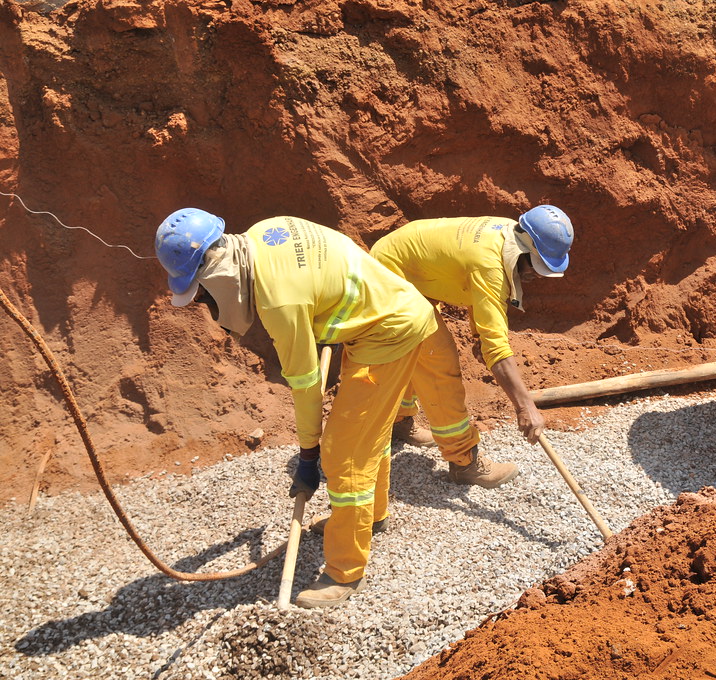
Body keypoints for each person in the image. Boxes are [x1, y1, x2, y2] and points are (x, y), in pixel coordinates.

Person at [155, 209, 437, 608]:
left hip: (390, 330)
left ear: (213, 273)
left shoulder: (278, 303)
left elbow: (306, 386)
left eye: (200, 293)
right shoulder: (263, 230)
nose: (204, 302)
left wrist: (309, 453)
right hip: (382, 315)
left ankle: (344, 572)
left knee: (344, 452)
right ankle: (370, 518)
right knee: (367, 431)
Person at [370, 204, 574, 488]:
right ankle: (464, 461)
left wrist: (479, 332)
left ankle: (399, 422)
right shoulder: (491, 265)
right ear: (526, 250)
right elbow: (497, 347)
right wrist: (525, 406)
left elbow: (466, 277)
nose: (536, 276)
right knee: (437, 359)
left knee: (416, 350)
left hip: (407, 265)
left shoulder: (509, 233)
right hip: (388, 275)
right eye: (537, 267)